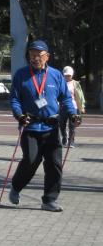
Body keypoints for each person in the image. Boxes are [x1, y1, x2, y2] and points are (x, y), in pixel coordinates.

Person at [8, 40, 79, 212]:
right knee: (31, 160)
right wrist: (19, 115)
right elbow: (15, 99)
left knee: (54, 165)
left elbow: (66, 99)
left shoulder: (56, 75)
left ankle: (49, 200)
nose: (34, 58)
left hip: (52, 128)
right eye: (31, 55)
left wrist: (73, 114)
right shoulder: (21, 75)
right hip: (30, 126)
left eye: (38, 55)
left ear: (47, 56)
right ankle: (16, 186)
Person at [59, 66, 85, 148]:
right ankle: (64, 137)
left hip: (73, 107)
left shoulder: (76, 83)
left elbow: (80, 96)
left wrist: (82, 106)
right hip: (62, 107)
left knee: (72, 125)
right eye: (66, 75)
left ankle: (71, 141)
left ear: (72, 75)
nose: (67, 77)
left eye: (69, 75)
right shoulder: (60, 83)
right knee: (61, 124)